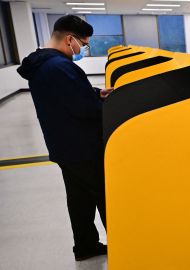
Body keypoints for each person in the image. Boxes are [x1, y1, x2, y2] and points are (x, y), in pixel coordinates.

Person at [17, 15, 113, 261]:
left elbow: (67, 96)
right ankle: (125, 245)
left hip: (64, 144)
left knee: (79, 199)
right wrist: (116, 107)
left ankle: (85, 246)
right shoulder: (60, 67)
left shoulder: (42, 63)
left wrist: (95, 92)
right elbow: (85, 110)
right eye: (84, 43)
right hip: (81, 145)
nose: (83, 49)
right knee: (105, 195)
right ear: (70, 39)